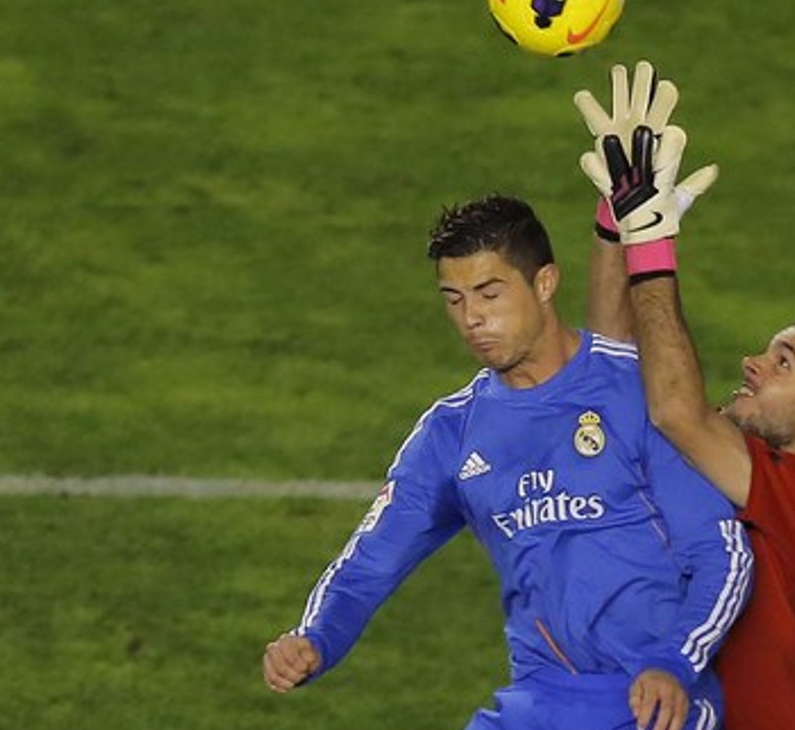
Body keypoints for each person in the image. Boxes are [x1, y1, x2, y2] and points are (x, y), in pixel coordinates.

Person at [261, 194, 752, 730]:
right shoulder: (452, 433)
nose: (472, 318)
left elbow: (721, 552)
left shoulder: (638, 390)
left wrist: (675, 662)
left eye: (489, 293)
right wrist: (316, 637)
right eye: (453, 299)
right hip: (539, 702)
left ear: (544, 284)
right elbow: (370, 561)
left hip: (655, 701)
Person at [574, 62, 795, 730]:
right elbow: (609, 366)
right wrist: (618, 221)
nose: (751, 363)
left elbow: (674, 409)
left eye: (782, 362)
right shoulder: (743, 465)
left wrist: (653, 243)